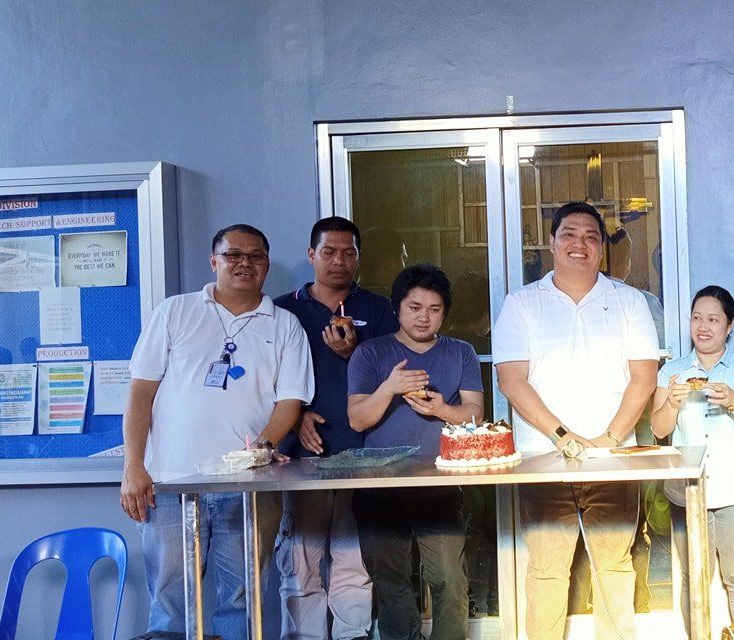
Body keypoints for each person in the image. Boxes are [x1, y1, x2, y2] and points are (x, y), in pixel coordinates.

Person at [120, 224, 313, 640]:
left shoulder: (285, 326)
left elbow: (290, 403)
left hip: (247, 490)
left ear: (266, 265)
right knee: (169, 602)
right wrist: (133, 466)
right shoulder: (174, 312)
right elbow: (140, 395)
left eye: (256, 256)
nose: (244, 263)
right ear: (214, 261)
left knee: (241, 601)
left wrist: (259, 450)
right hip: (170, 484)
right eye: (233, 255)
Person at [493, 202, 660, 640]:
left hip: (612, 457)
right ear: (551, 242)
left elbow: (643, 377)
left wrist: (608, 439)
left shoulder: (629, 301)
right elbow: (512, 380)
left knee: (614, 566)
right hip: (543, 459)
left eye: (591, 236)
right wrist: (564, 437)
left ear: (603, 248)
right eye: (569, 234)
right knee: (547, 570)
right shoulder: (522, 303)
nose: (580, 244)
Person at [273, 217, 396, 640]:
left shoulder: (378, 310)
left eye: (349, 252)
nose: (339, 261)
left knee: (353, 562)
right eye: (329, 252)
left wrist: (354, 352)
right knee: (301, 559)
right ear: (312, 255)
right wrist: (297, 414)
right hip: (301, 456)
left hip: (362, 452)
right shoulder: (282, 310)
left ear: (359, 257)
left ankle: (352, 635)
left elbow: (393, 376)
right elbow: (267, 381)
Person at [346, 263, 484, 640]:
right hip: (379, 488)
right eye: (415, 307)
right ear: (398, 308)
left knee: (449, 582)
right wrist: (389, 387)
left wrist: (441, 410)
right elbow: (358, 420)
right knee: (390, 586)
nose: (424, 317)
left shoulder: (461, 352)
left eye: (434, 309)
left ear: (445, 313)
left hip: (440, 487)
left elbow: (474, 413)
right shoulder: (371, 354)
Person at [651, 286, 734, 636]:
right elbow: (659, 429)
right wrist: (671, 402)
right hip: (686, 494)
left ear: (729, 325)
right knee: (692, 578)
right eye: (697, 317)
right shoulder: (672, 371)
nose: (703, 326)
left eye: (713, 319)